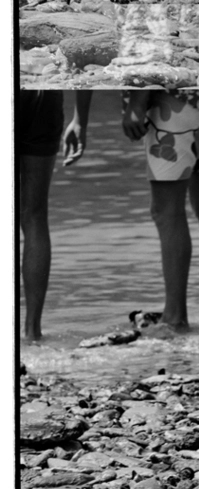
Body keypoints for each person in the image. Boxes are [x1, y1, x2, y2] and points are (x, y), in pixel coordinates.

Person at [122, 90, 199, 331]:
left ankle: (175, 317)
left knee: (167, 211)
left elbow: (153, 52)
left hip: (173, 103)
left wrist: (137, 101)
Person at [19, 90, 92, 341]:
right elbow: (81, 58)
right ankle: (32, 331)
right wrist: (80, 118)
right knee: (35, 215)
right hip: (44, 95)